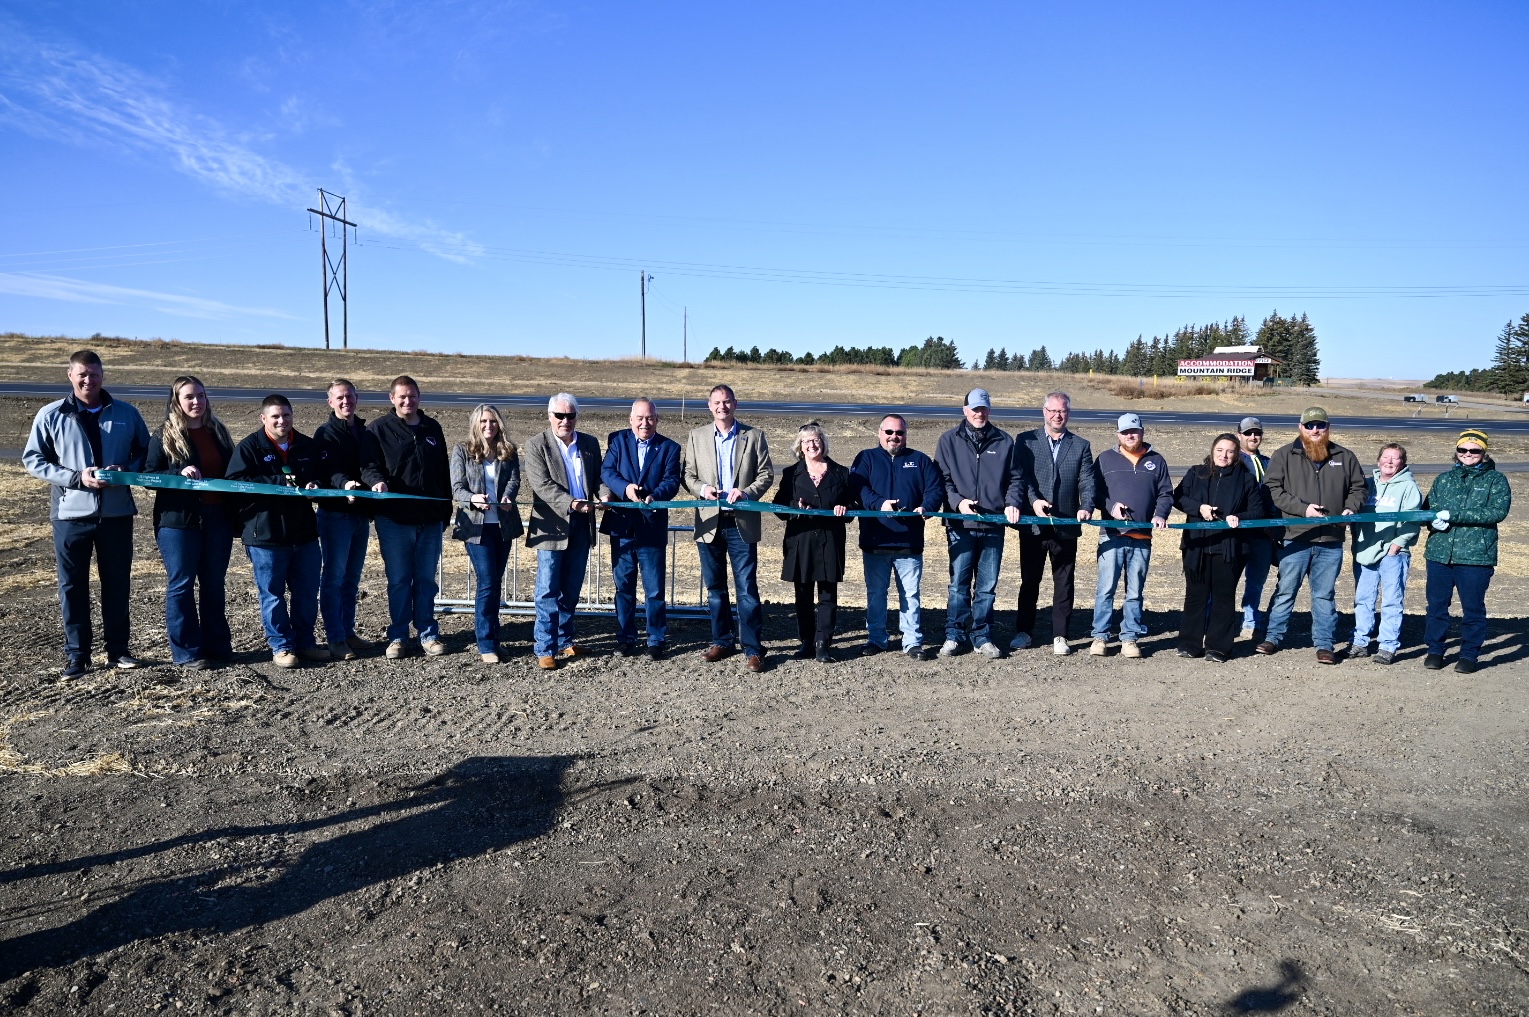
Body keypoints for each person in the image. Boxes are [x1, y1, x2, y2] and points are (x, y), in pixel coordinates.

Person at [23, 349, 150, 677]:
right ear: (70, 375)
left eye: (94, 374)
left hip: (116, 514)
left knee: (117, 583)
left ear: (102, 375)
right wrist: (76, 478)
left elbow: (146, 453)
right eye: (82, 374)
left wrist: (126, 470)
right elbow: (34, 459)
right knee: (72, 586)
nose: (88, 380)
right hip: (70, 515)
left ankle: (118, 651)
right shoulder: (51, 415)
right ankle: (77, 656)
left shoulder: (126, 413)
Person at [225, 395, 331, 668]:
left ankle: (306, 642)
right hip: (266, 535)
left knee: (307, 592)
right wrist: (277, 481)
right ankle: (282, 646)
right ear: (264, 419)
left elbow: (320, 476)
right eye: (275, 416)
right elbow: (235, 483)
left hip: (304, 533)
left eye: (286, 415)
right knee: (272, 594)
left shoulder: (306, 445)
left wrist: (315, 484)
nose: (282, 421)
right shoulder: (250, 447)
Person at [1257, 407, 1368, 663]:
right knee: (1286, 590)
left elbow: (1359, 488)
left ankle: (1325, 644)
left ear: (1328, 427)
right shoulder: (1284, 455)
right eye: (1309, 426)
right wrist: (1302, 509)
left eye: (1320, 425)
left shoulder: (1345, 456)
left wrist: (1351, 507)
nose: (1315, 430)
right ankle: (1273, 637)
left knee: (1324, 594)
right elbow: (1273, 489)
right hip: (1295, 537)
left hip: (1330, 540)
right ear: (1300, 427)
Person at [143, 376, 236, 670]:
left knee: (213, 584)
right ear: (177, 402)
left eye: (201, 396)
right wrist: (178, 473)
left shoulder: (218, 432)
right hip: (179, 521)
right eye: (189, 397)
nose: (197, 402)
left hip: (217, 519)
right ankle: (187, 652)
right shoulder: (164, 435)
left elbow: (232, 471)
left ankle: (217, 646)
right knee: (181, 584)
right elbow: (149, 475)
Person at [684, 384, 775, 674]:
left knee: (747, 589)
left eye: (727, 402)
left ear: (735, 404)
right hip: (710, 521)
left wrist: (746, 492)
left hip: (741, 522)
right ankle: (722, 641)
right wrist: (703, 489)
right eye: (716, 402)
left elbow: (766, 474)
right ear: (709, 406)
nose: (722, 407)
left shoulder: (754, 436)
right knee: (715, 588)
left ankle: (753, 649)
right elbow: (687, 475)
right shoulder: (696, 436)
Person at [935, 389, 1024, 658]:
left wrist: (1012, 503)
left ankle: (982, 636)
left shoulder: (1005, 441)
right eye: (974, 409)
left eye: (983, 409)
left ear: (989, 410)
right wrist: (958, 503)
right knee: (958, 585)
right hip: (960, 525)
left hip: (992, 526)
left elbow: (1016, 480)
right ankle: (954, 633)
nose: (979, 413)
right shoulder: (948, 440)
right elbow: (942, 479)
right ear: (965, 410)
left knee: (986, 587)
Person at [369, 375, 452, 659]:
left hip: (429, 519)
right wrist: (376, 481)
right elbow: (369, 466)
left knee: (426, 579)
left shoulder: (432, 427)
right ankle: (398, 635)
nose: (408, 401)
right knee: (400, 579)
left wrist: (446, 510)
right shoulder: (379, 428)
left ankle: (428, 633)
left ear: (419, 397)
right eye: (402, 397)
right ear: (392, 399)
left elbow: (443, 471)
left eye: (412, 396)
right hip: (394, 519)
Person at [850, 413, 944, 659]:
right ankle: (877, 639)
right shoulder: (866, 458)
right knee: (876, 594)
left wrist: (927, 506)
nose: (894, 437)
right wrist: (880, 504)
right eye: (889, 432)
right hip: (875, 540)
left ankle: (912, 641)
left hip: (909, 542)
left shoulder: (920, 460)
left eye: (899, 433)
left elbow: (935, 489)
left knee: (910, 594)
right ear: (879, 433)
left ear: (905, 435)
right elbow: (858, 488)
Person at [524, 393, 606, 670]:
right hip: (551, 526)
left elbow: (599, 479)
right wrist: (571, 503)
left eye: (570, 416)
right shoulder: (536, 445)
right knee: (547, 589)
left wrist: (604, 496)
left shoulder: (590, 443)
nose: (565, 421)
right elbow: (542, 485)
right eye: (560, 415)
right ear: (550, 416)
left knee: (571, 588)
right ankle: (544, 648)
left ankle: (564, 640)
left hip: (583, 526)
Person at [1012, 391, 1096, 655]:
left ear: (1068, 413)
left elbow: (1087, 481)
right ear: (1044, 412)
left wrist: (1086, 506)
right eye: (1052, 411)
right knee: (1030, 580)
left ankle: (1060, 635)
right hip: (1034, 525)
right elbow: (1020, 478)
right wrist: (1034, 501)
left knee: (1064, 581)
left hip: (1066, 525)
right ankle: (1024, 631)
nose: (1057, 415)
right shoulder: (1025, 441)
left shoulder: (1081, 445)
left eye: (1062, 411)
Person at [1421, 429, 1511, 673]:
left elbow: (1496, 512)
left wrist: (1455, 516)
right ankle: (1435, 650)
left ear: (1484, 452)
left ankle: (1469, 654)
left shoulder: (1496, 480)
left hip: (1476, 556)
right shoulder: (1443, 479)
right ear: (1456, 452)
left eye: (1474, 450)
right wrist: (1430, 521)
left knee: (1472, 608)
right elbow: (1428, 509)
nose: (1468, 454)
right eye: (1463, 450)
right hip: (1439, 553)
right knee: (1437, 605)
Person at [599, 398, 682, 660]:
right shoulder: (618, 441)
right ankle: (626, 637)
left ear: (657, 420)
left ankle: (656, 639)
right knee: (623, 586)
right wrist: (625, 488)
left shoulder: (669, 448)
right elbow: (607, 471)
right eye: (640, 418)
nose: (644, 423)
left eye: (649, 418)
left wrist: (655, 495)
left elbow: (672, 480)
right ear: (630, 419)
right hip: (622, 526)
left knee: (654, 589)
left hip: (652, 526)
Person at [313, 378, 386, 660]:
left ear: (357, 399)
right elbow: (330, 468)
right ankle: (334, 638)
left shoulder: (364, 431)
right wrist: (345, 485)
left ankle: (347, 631)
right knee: (333, 577)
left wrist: (374, 482)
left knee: (351, 578)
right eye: (340, 398)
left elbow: (369, 466)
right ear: (331, 402)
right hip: (335, 515)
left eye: (350, 397)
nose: (346, 402)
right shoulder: (326, 433)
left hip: (359, 515)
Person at [1172, 433, 1261, 662]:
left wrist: (1238, 517)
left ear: (1237, 454)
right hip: (1197, 546)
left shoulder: (1246, 479)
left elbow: (1258, 511)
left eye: (1230, 451)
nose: (1225, 455)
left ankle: (1218, 647)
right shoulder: (1196, 473)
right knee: (1195, 595)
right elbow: (1178, 497)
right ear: (1212, 451)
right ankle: (1190, 644)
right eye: (1220, 450)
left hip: (1229, 548)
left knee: (1223, 597)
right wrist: (1199, 508)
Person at [773, 422, 857, 662]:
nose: (812, 445)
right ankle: (806, 642)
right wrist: (793, 508)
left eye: (816, 440)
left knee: (828, 594)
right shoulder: (791, 474)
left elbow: (855, 504)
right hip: (800, 541)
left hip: (830, 540)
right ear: (800, 446)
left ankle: (824, 644)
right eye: (806, 441)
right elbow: (778, 507)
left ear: (824, 443)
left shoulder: (841, 473)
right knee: (803, 594)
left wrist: (846, 508)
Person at [1090, 413, 1172, 657]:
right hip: (1111, 535)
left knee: (1135, 591)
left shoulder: (1156, 460)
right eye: (1125, 432)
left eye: (1134, 431)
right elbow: (1095, 493)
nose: (1130, 436)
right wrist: (1111, 506)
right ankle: (1100, 636)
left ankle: (1130, 638)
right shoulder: (1105, 459)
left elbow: (1166, 493)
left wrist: (1160, 514)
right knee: (1106, 589)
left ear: (1142, 432)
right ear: (1117, 434)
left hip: (1142, 537)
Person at [450, 404, 524, 665]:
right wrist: (473, 499)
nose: (488, 426)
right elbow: (457, 488)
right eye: (483, 422)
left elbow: (515, 480)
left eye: (492, 421)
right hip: (475, 527)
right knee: (488, 581)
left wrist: (508, 496)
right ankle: (485, 643)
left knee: (495, 583)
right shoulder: (462, 450)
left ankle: (494, 638)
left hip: (502, 526)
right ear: (475, 424)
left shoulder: (508, 450)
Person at [1349, 443, 1422, 665]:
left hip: (1393, 553)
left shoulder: (1408, 487)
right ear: (1378, 460)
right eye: (1386, 457)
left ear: (1403, 462)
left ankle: (1387, 646)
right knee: (1363, 599)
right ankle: (1360, 642)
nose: (1390, 461)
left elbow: (1413, 519)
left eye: (1395, 458)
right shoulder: (1367, 485)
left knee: (1391, 600)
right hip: (1365, 550)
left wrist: (1398, 544)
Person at [1235, 416, 1282, 638]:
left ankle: (1250, 622)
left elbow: (1276, 495)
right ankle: (1216, 621)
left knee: (1256, 582)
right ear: (1239, 436)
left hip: (1264, 534)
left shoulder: (1269, 462)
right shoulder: (1233, 461)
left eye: (1257, 433)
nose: (1253, 437)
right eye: (1248, 433)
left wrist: (1274, 526)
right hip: (1238, 533)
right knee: (1227, 580)